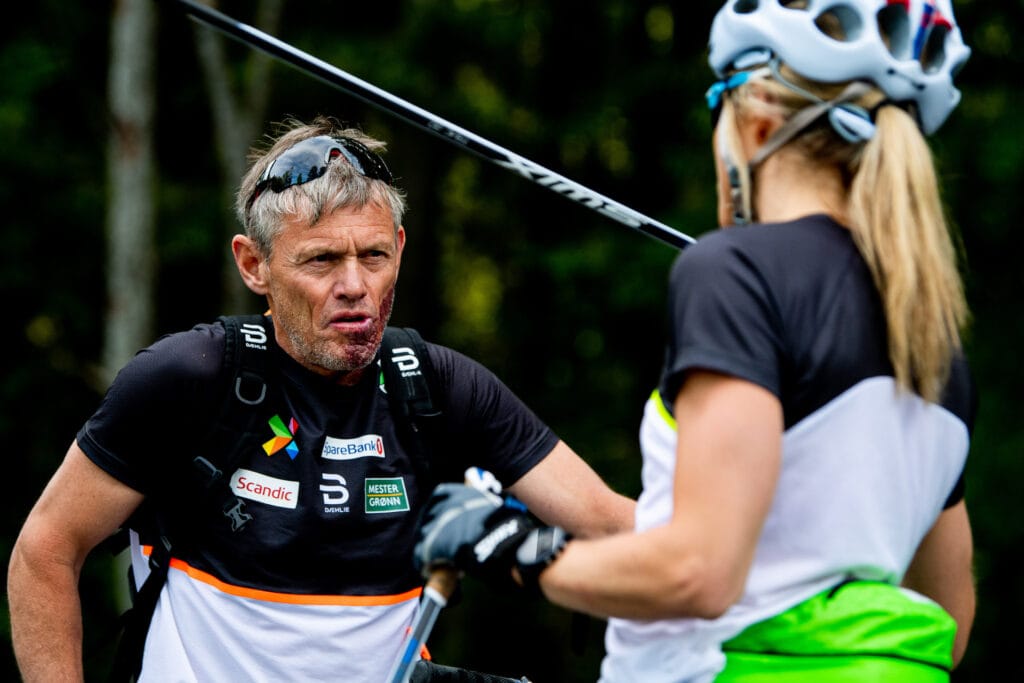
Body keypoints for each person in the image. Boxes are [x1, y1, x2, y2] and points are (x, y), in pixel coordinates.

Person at [413, 1, 977, 681]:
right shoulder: (930, 326)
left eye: (717, 104)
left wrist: (507, 544)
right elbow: (948, 618)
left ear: (756, 120)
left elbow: (699, 571)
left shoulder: (735, 271)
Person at [7, 116, 636, 682]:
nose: (355, 286)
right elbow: (45, 549)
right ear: (254, 265)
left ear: (400, 249)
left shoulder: (438, 385)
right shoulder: (189, 378)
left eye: (374, 255)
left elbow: (615, 525)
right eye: (322, 260)